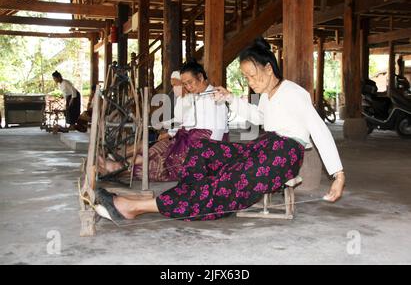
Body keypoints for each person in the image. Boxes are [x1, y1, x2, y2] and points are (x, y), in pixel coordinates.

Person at [94, 37, 345, 223]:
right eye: (246, 77)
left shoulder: (293, 92)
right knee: (202, 149)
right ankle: (184, 195)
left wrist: (338, 173)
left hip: (282, 156)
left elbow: (318, 127)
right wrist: (230, 98)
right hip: (264, 146)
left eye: (252, 75)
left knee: (225, 182)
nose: (250, 81)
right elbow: (259, 117)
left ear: (269, 68)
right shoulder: (268, 95)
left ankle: (133, 206)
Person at [98, 60, 230, 182]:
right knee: (157, 148)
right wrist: (174, 135)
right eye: (185, 84)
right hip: (189, 139)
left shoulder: (216, 97)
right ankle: (117, 165)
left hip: (204, 147)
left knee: (162, 165)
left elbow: (216, 134)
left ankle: (115, 168)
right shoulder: (197, 96)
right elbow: (187, 123)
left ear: (200, 77)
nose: (188, 87)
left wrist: (202, 157)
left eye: (190, 82)